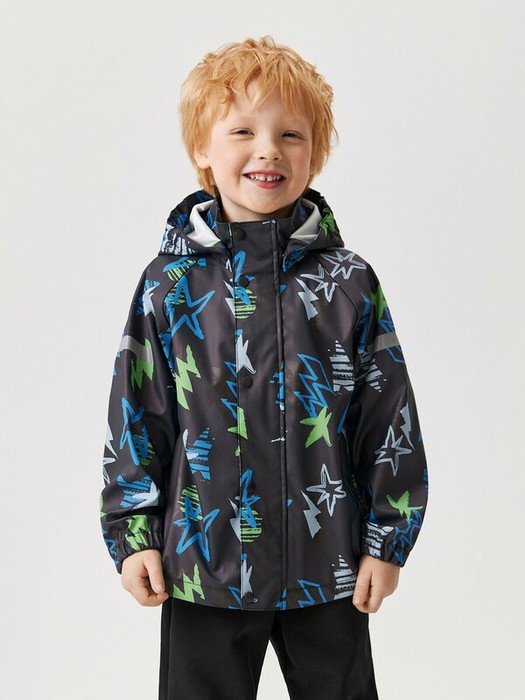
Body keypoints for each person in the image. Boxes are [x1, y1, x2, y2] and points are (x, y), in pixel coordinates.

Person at [100, 36, 428, 700]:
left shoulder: (347, 283)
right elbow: (137, 417)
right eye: (242, 131)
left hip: (328, 566)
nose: (268, 150)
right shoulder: (170, 287)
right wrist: (133, 535)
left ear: (315, 154)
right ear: (202, 149)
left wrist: (386, 541)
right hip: (203, 569)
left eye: (290, 134)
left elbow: (387, 417)